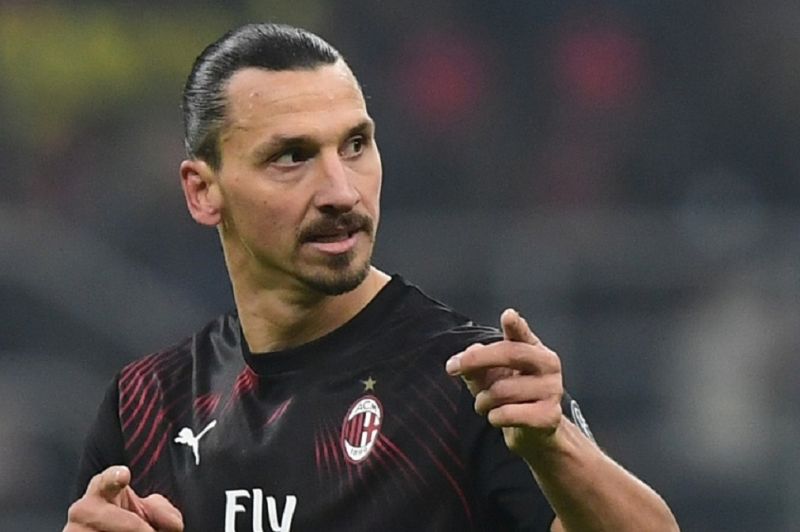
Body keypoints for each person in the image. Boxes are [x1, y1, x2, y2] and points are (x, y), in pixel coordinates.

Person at [64, 23, 678, 532]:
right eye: (292, 157)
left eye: (355, 145)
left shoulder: (475, 386)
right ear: (203, 191)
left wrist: (558, 448)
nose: (340, 190)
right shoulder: (144, 406)